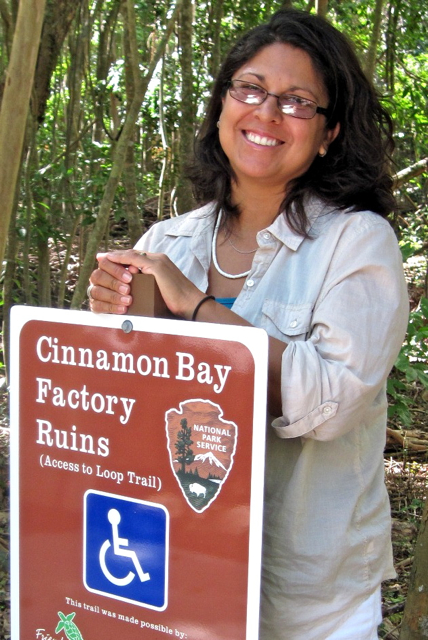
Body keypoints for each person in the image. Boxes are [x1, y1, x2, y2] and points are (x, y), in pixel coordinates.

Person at [88, 8, 409, 640]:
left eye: (296, 101)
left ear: (329, 133)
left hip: (305, 599)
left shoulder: (357, 243)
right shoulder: (169, 241)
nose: (266, 113)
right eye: (251, 88)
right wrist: (112, 323)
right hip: (178, 574)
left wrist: (195, 309)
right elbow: (123, 407)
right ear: (223, 106)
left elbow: (333, 403)